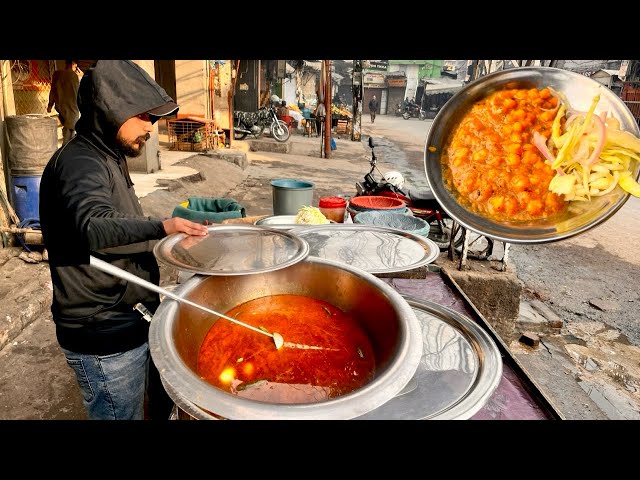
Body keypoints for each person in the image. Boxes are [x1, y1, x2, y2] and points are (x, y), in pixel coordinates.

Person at [39, 60, 209, 420]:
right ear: (111, 109)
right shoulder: (79, 163)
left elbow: (118, 228)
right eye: (144, 115)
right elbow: (92, 224)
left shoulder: (109, 156)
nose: (151, 126)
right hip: (104, 336)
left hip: (131, 318)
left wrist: (169, 241)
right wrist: (161, 227)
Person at [47, 60, 81, 145]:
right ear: (73, 64)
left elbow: (53, 91)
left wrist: (50, 105)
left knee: (68, 130)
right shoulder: (74, 76)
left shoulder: (56, 74)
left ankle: (67, 148)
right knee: (69, 134)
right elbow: (78, 92)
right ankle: (66, 150)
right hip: (72, 109)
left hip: (61, 107)